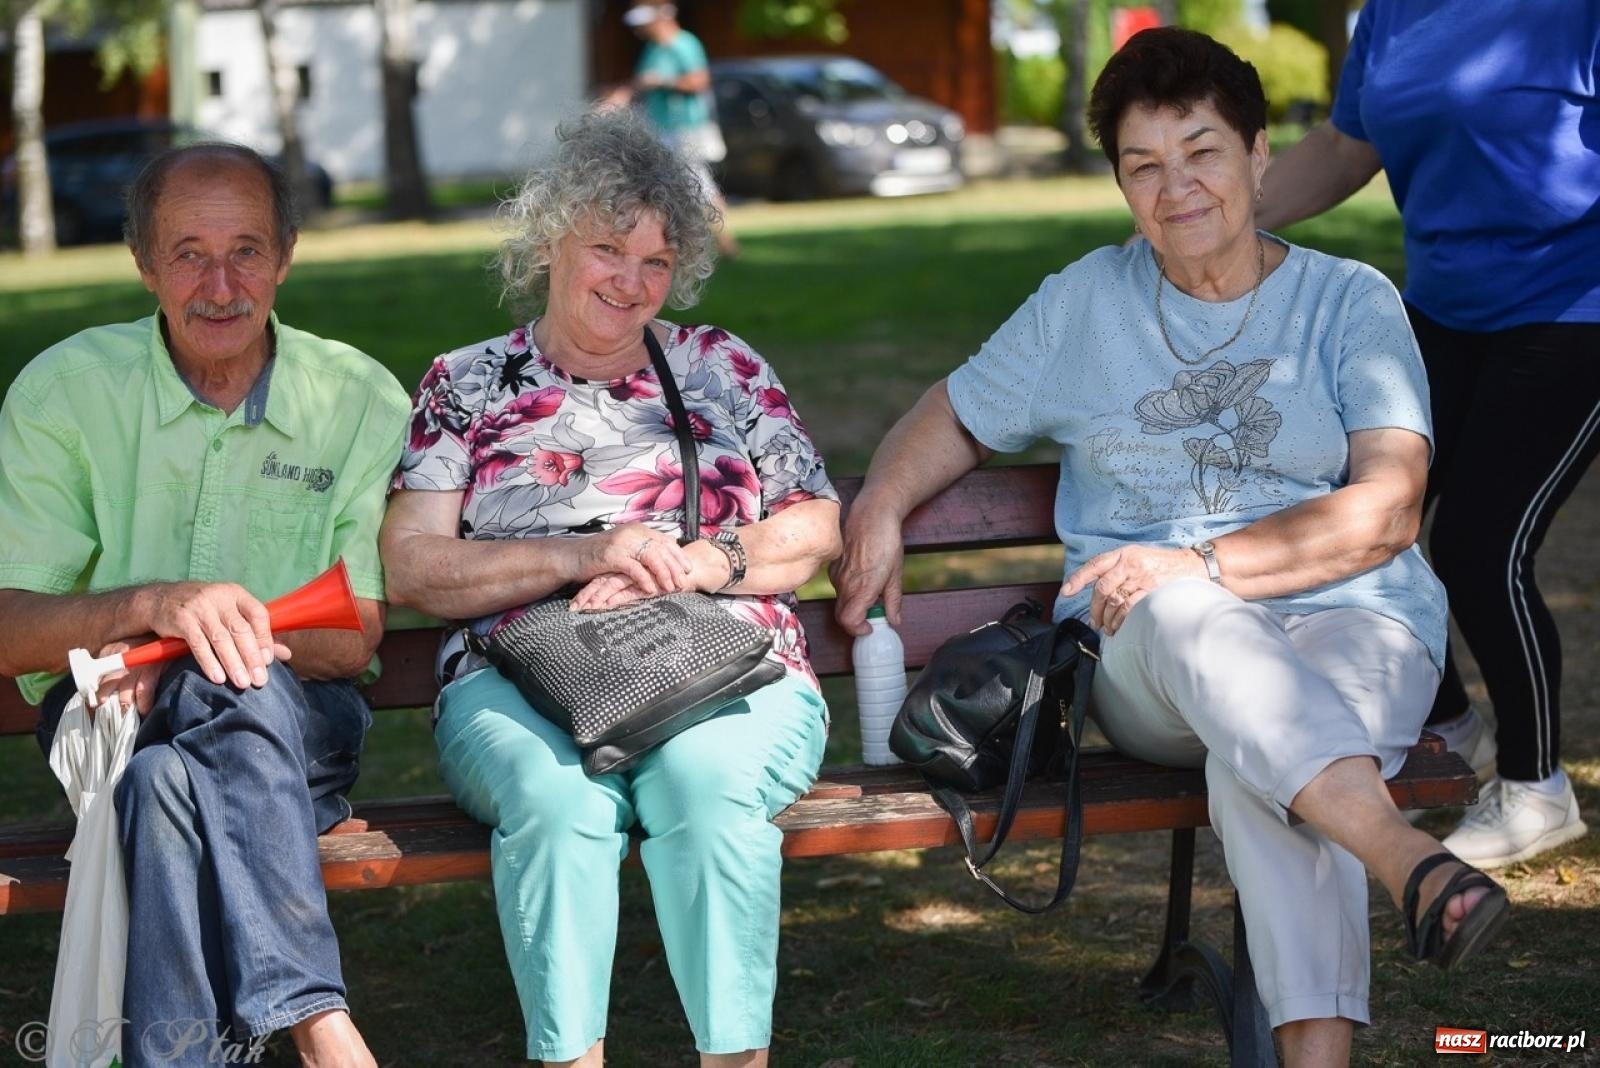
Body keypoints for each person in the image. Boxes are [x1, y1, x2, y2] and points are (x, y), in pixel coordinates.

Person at [831, 29, 1509, 1067]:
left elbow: (1385, 511)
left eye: (1200, 152)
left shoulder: (1348, 302)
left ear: (1257, 157)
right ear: (1119, 184)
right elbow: (955, 413)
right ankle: (1403, 856)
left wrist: (1203, 560)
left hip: (1357, 619)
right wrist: (879, 501)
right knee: (1199, 626)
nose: (1175, 186)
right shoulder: (1083, 304)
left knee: (1271, 752)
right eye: (1142, 165)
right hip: (1147, 646)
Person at [378, 109, 839, 1067]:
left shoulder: (724, 367)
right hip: (521, 674)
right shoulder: (467, 384)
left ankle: (735, 1060)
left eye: (658, 263)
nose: (630, 283)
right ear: (551, 240)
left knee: (707, 788)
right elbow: (412, 565)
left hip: (725, 665)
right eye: (605, 249)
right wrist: (584, 556)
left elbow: (815, 527)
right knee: (559, 803)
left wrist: (706, 562)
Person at [0, 144, 409, 1066]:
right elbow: (7, 625)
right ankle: (314, 1016)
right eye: (188, 253)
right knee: (165, 767)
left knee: (176, 777)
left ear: (287, 256)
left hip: (303, 726)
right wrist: (153, 604)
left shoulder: (356, 397)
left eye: (248, 252)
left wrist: (185, 648)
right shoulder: (63, 394)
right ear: (144, 264)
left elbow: (355, 638)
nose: (220, 285)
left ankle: (277, 1024)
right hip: (111, 724)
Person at [1255, 0, 1597, 869]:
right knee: (1353, 514)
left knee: (1480, 543)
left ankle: (1535, 788)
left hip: (1574, 306)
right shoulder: (1393, 13)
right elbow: (1343, 146)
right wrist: (1214, 209)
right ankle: (1449, 728)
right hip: (1446, 310)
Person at [607, 1, 740, 258]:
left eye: (644, 23)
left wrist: (663, 82)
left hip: (685, 128)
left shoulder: (684, 44)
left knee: (697, 185)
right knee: (669, 186)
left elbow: (699, 81)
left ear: (660, 18)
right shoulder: (653, 49)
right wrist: (619, 96)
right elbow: (641, 82)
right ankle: (673, 242)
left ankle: (726, 241)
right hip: (661, 129)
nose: (640, 30)